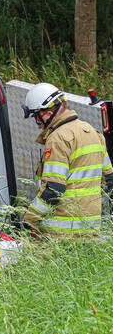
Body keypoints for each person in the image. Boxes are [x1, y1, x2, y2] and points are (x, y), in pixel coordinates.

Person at [21, 82, 113, 238]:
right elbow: (109, 179)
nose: (37, 125)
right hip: (92, 229)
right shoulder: (94, 132)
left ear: (48, 112)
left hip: (61, 234)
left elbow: (53, 189)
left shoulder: (57, 139)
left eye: (37, 117)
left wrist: (28, 221)